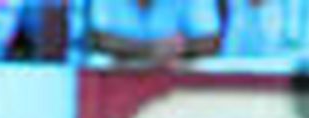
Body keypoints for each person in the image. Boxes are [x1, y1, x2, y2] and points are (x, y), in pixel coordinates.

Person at [86, 0, 222, 63]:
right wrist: (152, 50)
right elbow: (97, 39)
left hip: (177, 88)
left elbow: (211, 42)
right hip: (114, 86)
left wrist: (181, 48)